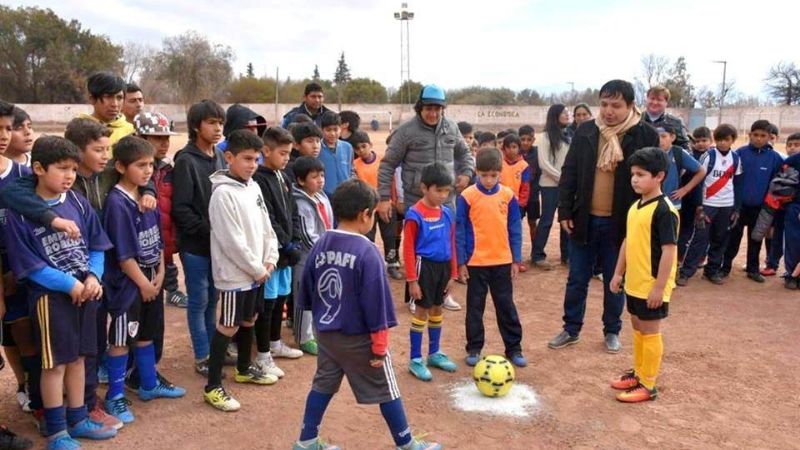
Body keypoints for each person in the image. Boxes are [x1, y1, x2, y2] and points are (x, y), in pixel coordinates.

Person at [292, 179, 441, 450]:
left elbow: (307, 288)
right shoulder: (367, 251)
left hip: (326, 333)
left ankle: (306, 440)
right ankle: (407, 444)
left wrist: (320, 322)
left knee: (323, 384)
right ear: (365, 214)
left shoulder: (321, 243)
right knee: (388, 388)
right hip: (359, 337)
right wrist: (380, 346)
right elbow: (376, 304)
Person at [5, 136, 117, 449]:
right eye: (62, 169)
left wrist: (93, 276)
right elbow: (29, 265)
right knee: (55, 365)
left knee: (80, 359)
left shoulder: (78, 201)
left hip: (86, 293)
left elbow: (96, 244)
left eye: (72, 169)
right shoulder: (20, 213)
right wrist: (71, 285)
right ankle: (56, 431)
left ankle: (78, 418)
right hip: (51, 298)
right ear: (38, 168)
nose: (69, 176)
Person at [549, 79, 659, 354]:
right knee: (577, 278)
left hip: (622, 223)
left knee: (615, 279)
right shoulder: (586, 131)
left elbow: (653, 181)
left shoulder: (645, 135)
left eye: (616, 105)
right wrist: (564, 210)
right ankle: (571, 328)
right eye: (605, 104)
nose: (609, 111)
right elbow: (569, 172)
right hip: (584, 219)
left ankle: (612, 331)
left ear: (631, 106)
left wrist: (646, 220)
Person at [101, 136, 186, 424]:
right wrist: (144, 283)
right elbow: (123, 256)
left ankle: (148, 384)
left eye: (150, 164)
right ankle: (114, 395)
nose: (148, 170)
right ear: (121, 166)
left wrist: (160, 274)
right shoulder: (117, 203)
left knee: (147, 333)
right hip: (130, 285)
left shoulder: (144, 196)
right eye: (140, 165)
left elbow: (158, 240)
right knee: (122, 338)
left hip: (152, 279)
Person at [377, 84, 475, 312]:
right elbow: (387, 165)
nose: (433, 113)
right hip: (417, 201)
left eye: (437, 109)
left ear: (443, 109)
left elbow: (465, 154)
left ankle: (443, 293)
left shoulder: (451, 128)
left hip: (447, 201)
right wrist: (383, 197)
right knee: (419, 248)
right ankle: (415, 295)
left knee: (445, 246)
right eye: (428, 108)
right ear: (420, 107)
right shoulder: (406, 131)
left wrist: (466, 173)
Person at [203, 130, 281, 412]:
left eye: (256, 159)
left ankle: (244, 369)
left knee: (250, 319)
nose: (252, 165)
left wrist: (270, 258)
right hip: (236, 276)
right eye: (246, 159)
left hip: (258, 272)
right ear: (229, 157)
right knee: (228, 325)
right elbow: (231, 241)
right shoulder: (222, 194)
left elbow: (266, 227)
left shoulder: (254, 187)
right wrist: (257, 268)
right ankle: (212, 386)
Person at [609, 147, 678, 403]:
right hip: (634, 282)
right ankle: (638, 373)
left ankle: (648, 385)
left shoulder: (664, 210)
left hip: (652, 284)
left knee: (650, 331)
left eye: (641, 174)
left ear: (659, 176)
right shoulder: (636, 206)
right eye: (633, 174)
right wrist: (618, 273)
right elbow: (628, 241)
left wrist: (659, 288)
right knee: (638, 325)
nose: (635, 179)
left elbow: (670, 251)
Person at [171, 100, 227, 377]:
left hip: (218, 246)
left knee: (214, 297)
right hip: (195, 246)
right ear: (196, 126)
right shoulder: (185, 160)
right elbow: (181, 208)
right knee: (198, 299)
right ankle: (202, 355)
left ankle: (214, 349)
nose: (218, 129)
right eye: (211, 123)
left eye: (220, 123)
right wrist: (210, 230)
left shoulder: (218, 156)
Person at [457, 148, 525, 368]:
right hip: (476, 263)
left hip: (502, 261)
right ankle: (474, 348)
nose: (488, 180)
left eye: (493, 175)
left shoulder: (508, 196)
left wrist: (515, 259)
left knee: (505, 305)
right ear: (476, 172)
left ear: (499, 173)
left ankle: (514, 348)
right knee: (475, 307)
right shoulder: (467, 196)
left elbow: (515, 228)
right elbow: (460, 230)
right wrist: (461, 262)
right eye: (483, 175)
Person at [252, 127, 304, 380]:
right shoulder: (259, 179)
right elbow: (268, 219)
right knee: (268, 304)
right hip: (271, 254)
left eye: (288, 154)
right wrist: (285, 243)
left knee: (282, 298)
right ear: (266, 151)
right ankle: (262, 355)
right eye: (282, 153)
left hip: (286, 253)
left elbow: (292, 212)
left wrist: (294, 239)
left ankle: (275, 342)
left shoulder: (284, 177)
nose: (286, 158)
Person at [404, 163, 459, 381]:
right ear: (424, 188)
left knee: (437, 309)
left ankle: (434, 353)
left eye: (447, 191)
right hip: (423, 267)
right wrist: (412, 280)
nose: (443, 195)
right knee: (422, 311)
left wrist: (453, 274)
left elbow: (452, 243)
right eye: (439, 190)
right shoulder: (414, 214)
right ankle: (416, 359)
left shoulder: (446, 213)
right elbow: (408, 249)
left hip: (443, 268)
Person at [0, 107, 37, 417]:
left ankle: (33, 387)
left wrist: (20, 265)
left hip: (22, 266)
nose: (3, 135)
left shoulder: (23, 176)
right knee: (9, 331)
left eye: (6, 127)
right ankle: (23, 383)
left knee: (26, 328)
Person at [133, 111, 188, 309]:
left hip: (165, 228)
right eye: (158, 138)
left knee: (166, 260)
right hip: (142, 233)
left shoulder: (167, 169)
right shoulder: (132, 171)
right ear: (140, 138)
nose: (165, 143)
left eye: (166, 138)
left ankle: (172, 291)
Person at [678, 124, 742, 286]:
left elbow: (738, 184)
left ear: (732, 140)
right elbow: (699, 181)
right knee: (700, 238)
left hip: (726, 205)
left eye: (726, 140)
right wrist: (699, 206)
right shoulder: (708, 156)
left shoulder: (735, 158)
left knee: (720, 239)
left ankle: (711, 270)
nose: (722, 143)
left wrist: (737, 208)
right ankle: (686, 272)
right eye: (719, 139)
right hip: (708, 204)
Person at [722, 120, 784, 282]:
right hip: (738, 207)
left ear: (770, 137)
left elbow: (776, 183)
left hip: (760, 208)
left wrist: (769, 206)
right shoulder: (739, 154)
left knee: (755, 239)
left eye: (762, 136)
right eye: (755, 135)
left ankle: (753, 269)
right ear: (749, 135)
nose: (758, 139)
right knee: (733, 238)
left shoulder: (774, 158)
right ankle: (725, 267)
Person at [291, 156, 333, 355]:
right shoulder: (301, 203)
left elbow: (328, 225)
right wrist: (326, 250)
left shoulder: (321, 196)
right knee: (303, 297)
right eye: (315, 177)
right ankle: (303, 337)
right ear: (301, 180)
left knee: (319, 295)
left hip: (322, 256)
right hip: (306, 259)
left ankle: (314, 331)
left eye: (322, 175)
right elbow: (307, 236)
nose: (320, 180)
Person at [532, 104, 571, 269]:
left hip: (565, 186)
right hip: (550, 186)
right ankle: (537, 255)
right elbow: (544, 163)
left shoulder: (567, 136)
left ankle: (567, 256)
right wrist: (562, 178)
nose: (567, 115)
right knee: (547, 220)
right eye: (564, 113)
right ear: (556, 116)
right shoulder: (546, 137)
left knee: (566, 219)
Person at [762, 132, 800, 277]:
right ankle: (772, 264)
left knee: (793, 239)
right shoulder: (783, 161)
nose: (792, 148)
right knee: (776, 235)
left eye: (796, 145)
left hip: (795, 207)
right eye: (789, 145)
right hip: (780, 205)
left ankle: (792, 273)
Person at [677, 126, 713, 261]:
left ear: (711, 140)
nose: (700, 144)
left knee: (703, 230)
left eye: (704, 140)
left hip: (707, 201)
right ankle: (680, 256)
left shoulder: (713, 157)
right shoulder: (688, 157)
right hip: (688, 199)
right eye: (696, 141)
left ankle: (701, 256)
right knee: (685, 229)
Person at [655, 124, 706, 213]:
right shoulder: (649, 153)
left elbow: (701, 171)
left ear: (672, 137)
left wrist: (685, 189)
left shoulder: (678, 153)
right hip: (652, 202)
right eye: (656, 136)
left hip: (672, 203)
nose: (660, 140)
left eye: (663, 136)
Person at [79, 72, 134, 148]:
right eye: (108, 97)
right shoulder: (78, 129)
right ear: (92, 99)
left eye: (119, 97)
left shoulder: (130, 131)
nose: (115, 104)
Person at [318, 111, 354, 197]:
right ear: (322, 130)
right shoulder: (317, 148)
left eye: (335, 129)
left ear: (340, 129)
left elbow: (351, 169)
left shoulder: (347, 147)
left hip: (345, 194)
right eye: (328, 130)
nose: (332, 133)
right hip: (324, 195)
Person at [518, 125, 541, 261]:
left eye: (529, 139)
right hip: (518, 197)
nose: (525, 142)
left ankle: (535, 251)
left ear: (533, 139)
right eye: (523, 139)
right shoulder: (515, 153)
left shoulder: (538, 153)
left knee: (533, 223)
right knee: (517, 224)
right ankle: (516, 254)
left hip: (532, 196)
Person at [781, 149, 800, 289]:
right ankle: (791, 275)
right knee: (793, 240)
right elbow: (783, 185)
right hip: (795, 206)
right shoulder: (792, 161)